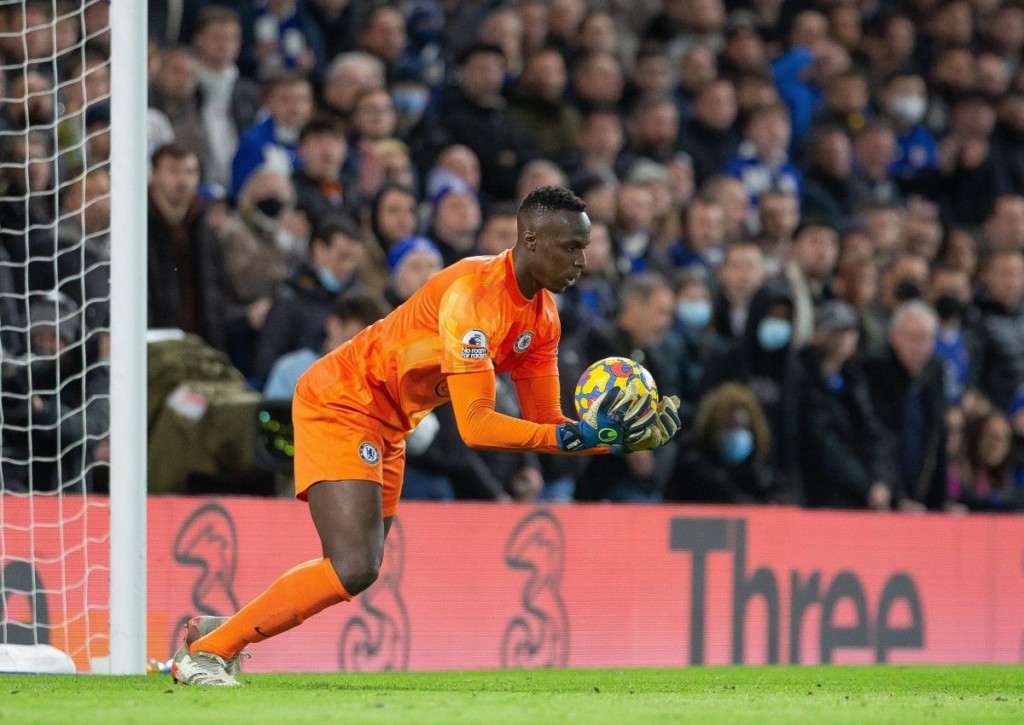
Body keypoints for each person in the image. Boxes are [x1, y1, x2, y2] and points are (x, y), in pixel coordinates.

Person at [170, 186, 681, 686]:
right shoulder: (473, 297)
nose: (582, 260)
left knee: (361, 568)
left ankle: (220, 632)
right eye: (572, 247)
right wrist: (579, 438)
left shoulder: (543, 318)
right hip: (343, 399)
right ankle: (207, 655)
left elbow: (548, 423)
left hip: (391, 421)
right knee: (351, 565)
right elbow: (477, 425)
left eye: (585, 247)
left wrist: (612, 439)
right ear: (530, 241)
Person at [797, 301, 894, 509]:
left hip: (861, 494)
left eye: (849, 332)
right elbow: (823, 442)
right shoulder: (803, 377)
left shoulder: (856, 379)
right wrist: (866, 486)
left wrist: (881, 481)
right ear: (818, 333)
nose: (842, 339)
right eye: (835, 332)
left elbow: (875, 434)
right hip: (821, 494)